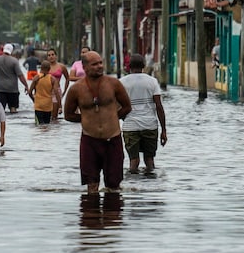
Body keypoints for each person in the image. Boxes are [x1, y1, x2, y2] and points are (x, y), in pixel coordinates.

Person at [64, 51, 131, 195]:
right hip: (90, 141)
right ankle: (91, 215)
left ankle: (111, 214)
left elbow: (127, 107)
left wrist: (113, 117)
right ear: (85, 67)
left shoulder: (114, 84)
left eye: (101, 63)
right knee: (91, 187)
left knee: (114, 187)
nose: (99, 66)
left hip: (112, 139)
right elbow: (68, 115)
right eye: (94, 64)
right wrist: (87, 120)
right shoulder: (76, 89)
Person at [120, 54, 167, 173]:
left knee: (133, 161)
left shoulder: (122, 82)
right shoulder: (152, 81)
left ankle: (132, 186)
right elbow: (159, 107)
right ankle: (149, 187)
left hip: (130, 126)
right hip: (150, 125)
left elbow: (117, 106)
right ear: (144, 66)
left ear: (129, 66)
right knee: (149, 160)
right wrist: (164, 130)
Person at [0, 43, 29, 113]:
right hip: (12, 89)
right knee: (13, 109)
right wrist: (26, 85)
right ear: (12, 51)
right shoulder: (14, 61)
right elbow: (20, 75)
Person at [28, 60, 61, 125]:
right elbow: (57, 94)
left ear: (41, 68)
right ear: (49, 69)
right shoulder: (52, 79)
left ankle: (41, 135)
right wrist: (60, 106)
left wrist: (34, 100)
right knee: (47, 125)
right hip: (48, 107)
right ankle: (46, 135)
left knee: (39, 126)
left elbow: (29, 92)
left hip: (38, 106)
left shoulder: (36, 78)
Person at [46, 48, 69, 117]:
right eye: (49, 55)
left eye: (52, 54)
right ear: (47, 57)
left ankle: (55, 127)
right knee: (47, 115)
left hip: (57, 92)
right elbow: (40, 79)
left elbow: (67, 78)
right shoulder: (45, 67)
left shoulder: (61, 66)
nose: (51, 56)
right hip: (47, 91)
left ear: (56, 56)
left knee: (54, 116)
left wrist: (65, 91)